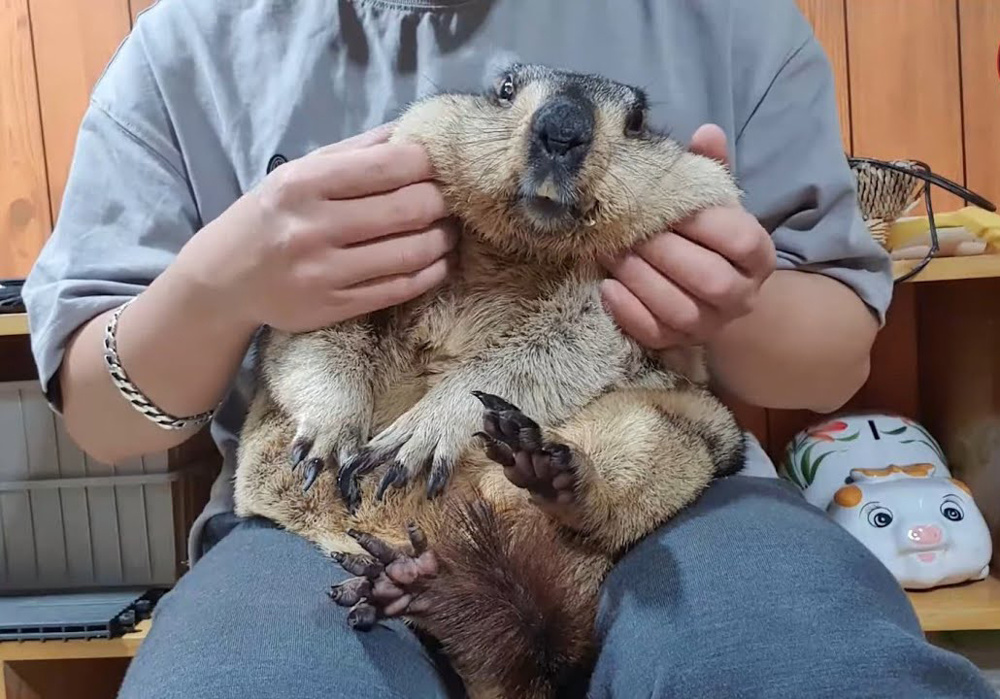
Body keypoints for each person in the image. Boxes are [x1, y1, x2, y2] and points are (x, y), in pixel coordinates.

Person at [20, 0, 995, 696]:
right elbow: (101, 415)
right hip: (331, 510)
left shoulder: (729, 20)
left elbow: (830, 358)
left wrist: (722, 303)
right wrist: (217, 284)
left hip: (656, 504)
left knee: (819, 666)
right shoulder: (190, 46)